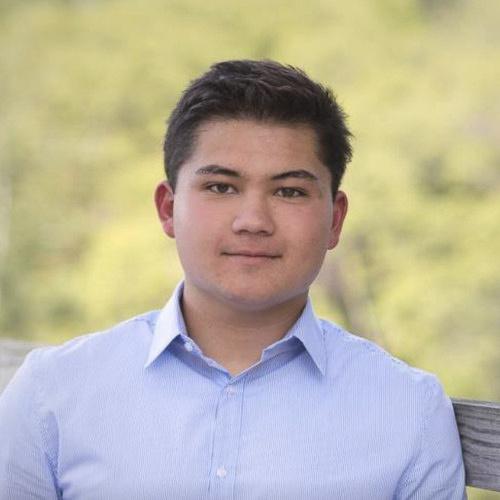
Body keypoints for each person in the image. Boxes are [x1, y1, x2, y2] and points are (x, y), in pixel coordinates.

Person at [0, 60, 466, 499]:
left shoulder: (410, 412)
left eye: (289, 191)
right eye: (221, 187)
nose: (253, 221)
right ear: (168, 209)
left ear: (335, 220)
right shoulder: (51, 396)